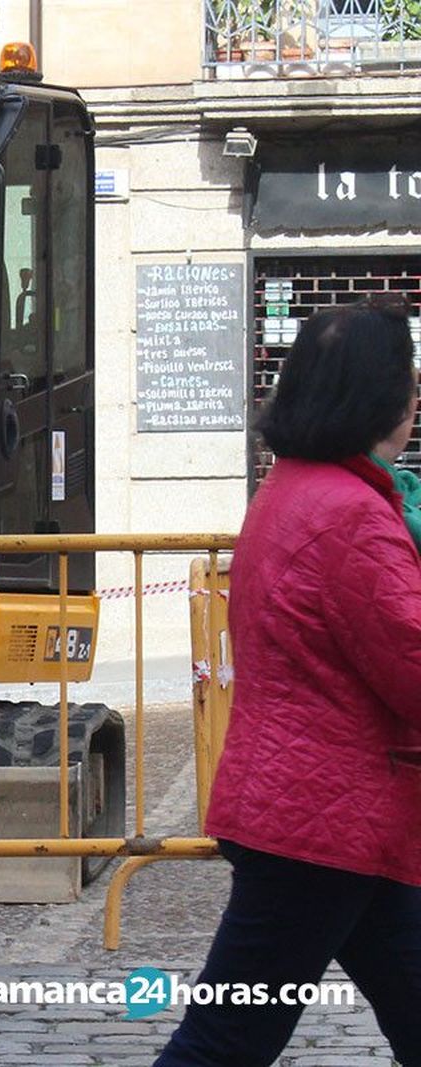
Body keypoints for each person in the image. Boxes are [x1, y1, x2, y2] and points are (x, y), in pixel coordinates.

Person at [154, 301, 421, 1066]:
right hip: (326, 822)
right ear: (384, 399)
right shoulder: (353, 516)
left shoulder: (297, 487)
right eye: (408, 381)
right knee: (224, 1039)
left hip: (326, 813)